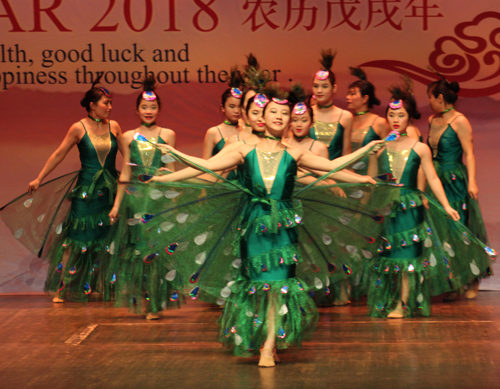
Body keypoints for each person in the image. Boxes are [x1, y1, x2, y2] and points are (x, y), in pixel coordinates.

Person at [142, 86, 392, 366]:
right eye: (273, 111)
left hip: (285, 230)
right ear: (262, 116)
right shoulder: (244, 151)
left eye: (284, 113)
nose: (279, 116)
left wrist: (366, 156)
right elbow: (207, 167)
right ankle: (263, 339)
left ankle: (268, 345)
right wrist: (169, 168)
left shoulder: (295, 154)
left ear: (288, 121)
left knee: (280, 287)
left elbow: (332, 166)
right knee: (257, 286)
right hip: (254, 228)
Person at [366, 82, 495, 319]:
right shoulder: (379, 148)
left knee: (412, 255)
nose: (396, 119)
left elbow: (439, 173)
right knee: (389, 257)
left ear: (409, 117)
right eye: (391, 114)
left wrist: (447, 204)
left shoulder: (422, 145)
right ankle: (395, 299)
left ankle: (408, 302)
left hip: (424, 199)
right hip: (389, 209)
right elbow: (372, 181)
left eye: (401, 114)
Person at [1, 74, 123, 302]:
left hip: (110, 192)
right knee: (74, 239)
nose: (110, 107)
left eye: (111, 103)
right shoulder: (78, 128)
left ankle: (105, 287)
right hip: (85, 192)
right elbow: (58, 153)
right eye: (106, 103)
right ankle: (62, 288)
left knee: (106, 240)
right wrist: (39, 178)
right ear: (92, 105)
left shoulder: (115, 127)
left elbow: (129, 156)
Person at [107, 75, 179, 319]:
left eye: (153, 107)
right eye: (144, 107)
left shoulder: (168, 135)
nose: (149, 111)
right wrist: (117, 205)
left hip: (158, 201)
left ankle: (155, 302)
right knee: (139, 252)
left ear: (159, 109)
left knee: (156, 250)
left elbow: (171, 171)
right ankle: (146, 300)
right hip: (135, 201)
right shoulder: (127, 137)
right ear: (137, 109)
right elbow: (126, 171)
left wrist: (174, 200)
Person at [426, 75, 490, 299]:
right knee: (439, 230)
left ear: (440, 97)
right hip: (435, 180)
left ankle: (471, 278)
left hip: (454, 180)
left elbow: (469, 153)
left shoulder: (460, 121)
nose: (430, 102)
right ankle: (451, 282)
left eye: (431, 98)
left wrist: (472, 181)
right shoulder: (433, 120)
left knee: (459, 228)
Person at [309, 49, 352, 160]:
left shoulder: (345, 116)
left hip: (335, 174)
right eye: (315, 86)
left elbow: (347, 153)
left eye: (324, 86)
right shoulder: (306, 113)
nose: (319, 91)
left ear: (334, 88)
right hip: (308, 174)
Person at [347, 66, 389, 175]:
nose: (347, 97)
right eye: (348, 94)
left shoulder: (379, 122)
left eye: (352, 94)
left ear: (365, 98)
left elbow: (387, 154)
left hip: (371, 177)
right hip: (348, 176)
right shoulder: (347, 120)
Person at [202, 67, 245, 159]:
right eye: (232, 106)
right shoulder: (213, 132)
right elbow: (205, 164)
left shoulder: (246, 130)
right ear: (223, 108)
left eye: (240, 106)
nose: (237, 111)